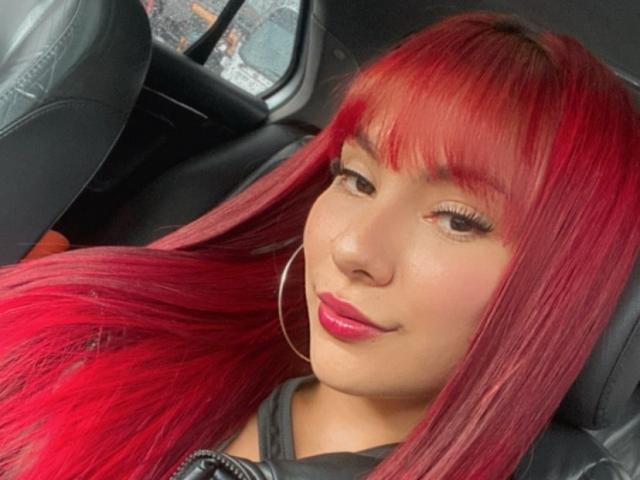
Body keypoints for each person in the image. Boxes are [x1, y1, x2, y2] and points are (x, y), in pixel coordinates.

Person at [1, 10, 639, 480]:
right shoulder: (121, 338)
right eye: (357, 178)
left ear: (562, 282)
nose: (353, 249)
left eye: (457, 220)